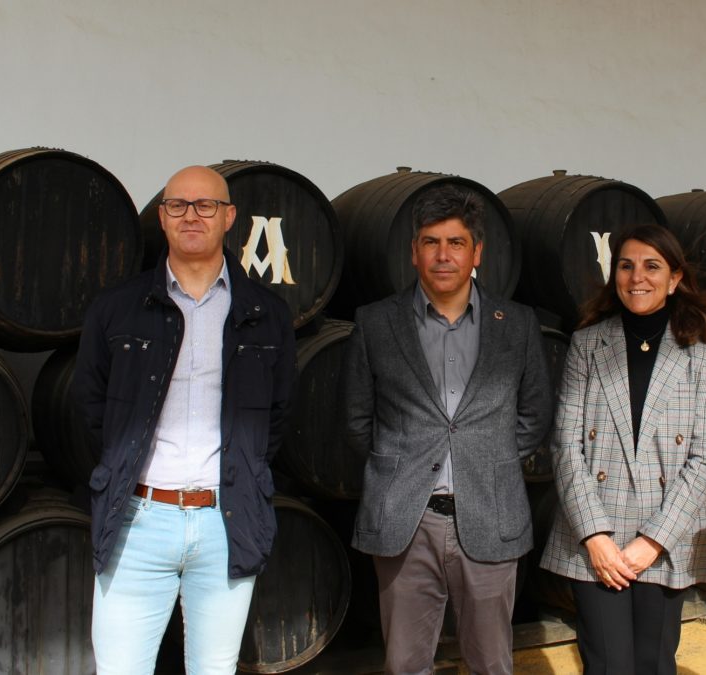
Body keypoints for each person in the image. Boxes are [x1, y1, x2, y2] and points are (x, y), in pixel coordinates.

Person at [73, 165, 296, 674]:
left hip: (227, 517)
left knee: (214, 668)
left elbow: (277, 415)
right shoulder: (117, 309)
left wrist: (242, 470)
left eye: (206, 205)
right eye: (178, 205)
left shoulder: (266, 313)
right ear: (162, 217)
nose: (191, 215)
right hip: (137, 518)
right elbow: (91, 408)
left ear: (229, 217)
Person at [342, 184, 553, 674]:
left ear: (476, 252)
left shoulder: (517, 324)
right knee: (406, 664)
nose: (443, 255)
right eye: (431, 242)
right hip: (405, 523)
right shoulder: (375, 323)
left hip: (489, 515)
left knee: (491, 664)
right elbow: (357, 419)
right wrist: (402, 465)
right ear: (413, 252)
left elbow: (534, 415)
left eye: (456, 242)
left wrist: (487, 458)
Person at [539, 223, 706, 675]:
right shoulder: (588, 345)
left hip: (665, 538)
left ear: (674, 279)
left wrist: (652, 542)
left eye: (651, 266)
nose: (637, 276)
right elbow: (565, 446)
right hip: (597, 542)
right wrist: (595, 536)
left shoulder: (700, 355)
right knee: (607, 665)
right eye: (626, 265)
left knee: (654, 664)